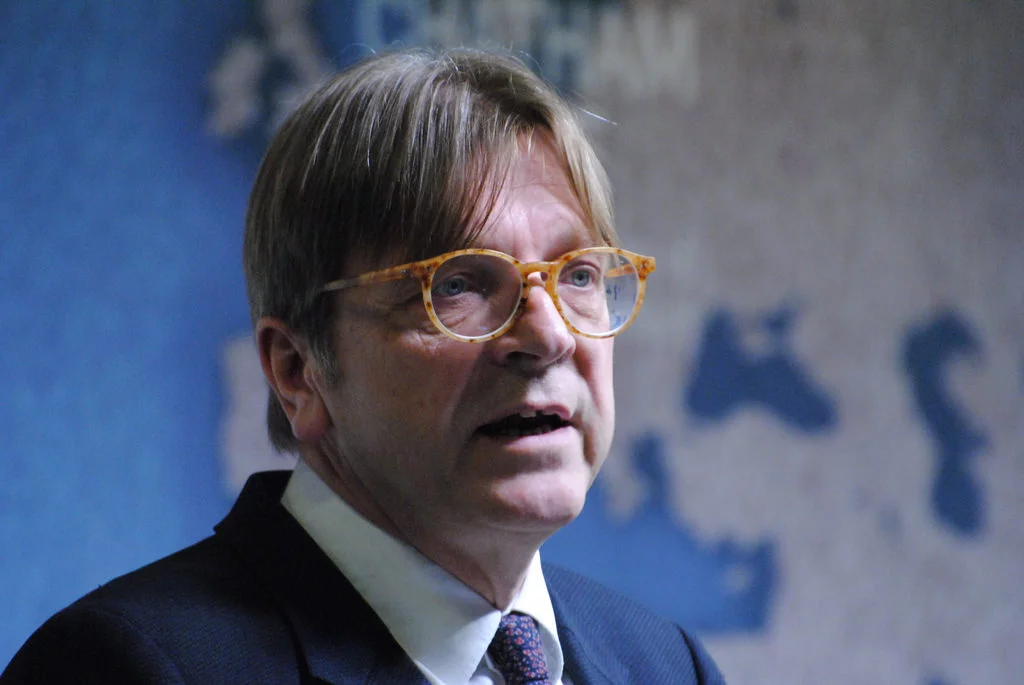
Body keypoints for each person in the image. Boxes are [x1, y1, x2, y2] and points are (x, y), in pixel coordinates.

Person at [2, 48, 725, 684]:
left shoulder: (665, 665)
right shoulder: (126, 668)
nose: (547, 334)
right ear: (299, 370)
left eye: (578, 275)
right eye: (459, 284)